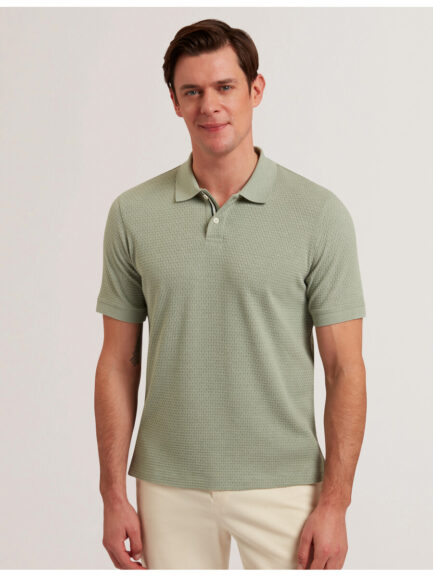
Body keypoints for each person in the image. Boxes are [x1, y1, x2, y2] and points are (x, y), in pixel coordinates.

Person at [94, 18, 367, 570]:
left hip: (286, 485)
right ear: (175, 102)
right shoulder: (132, 214)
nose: (210, 106)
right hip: (167, 486)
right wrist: (112, 494)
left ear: (255, 90)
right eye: (192, 91)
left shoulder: (318, 214)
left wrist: (336, 504)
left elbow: (345, 369)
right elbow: (117, 361)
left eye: (225, 87)